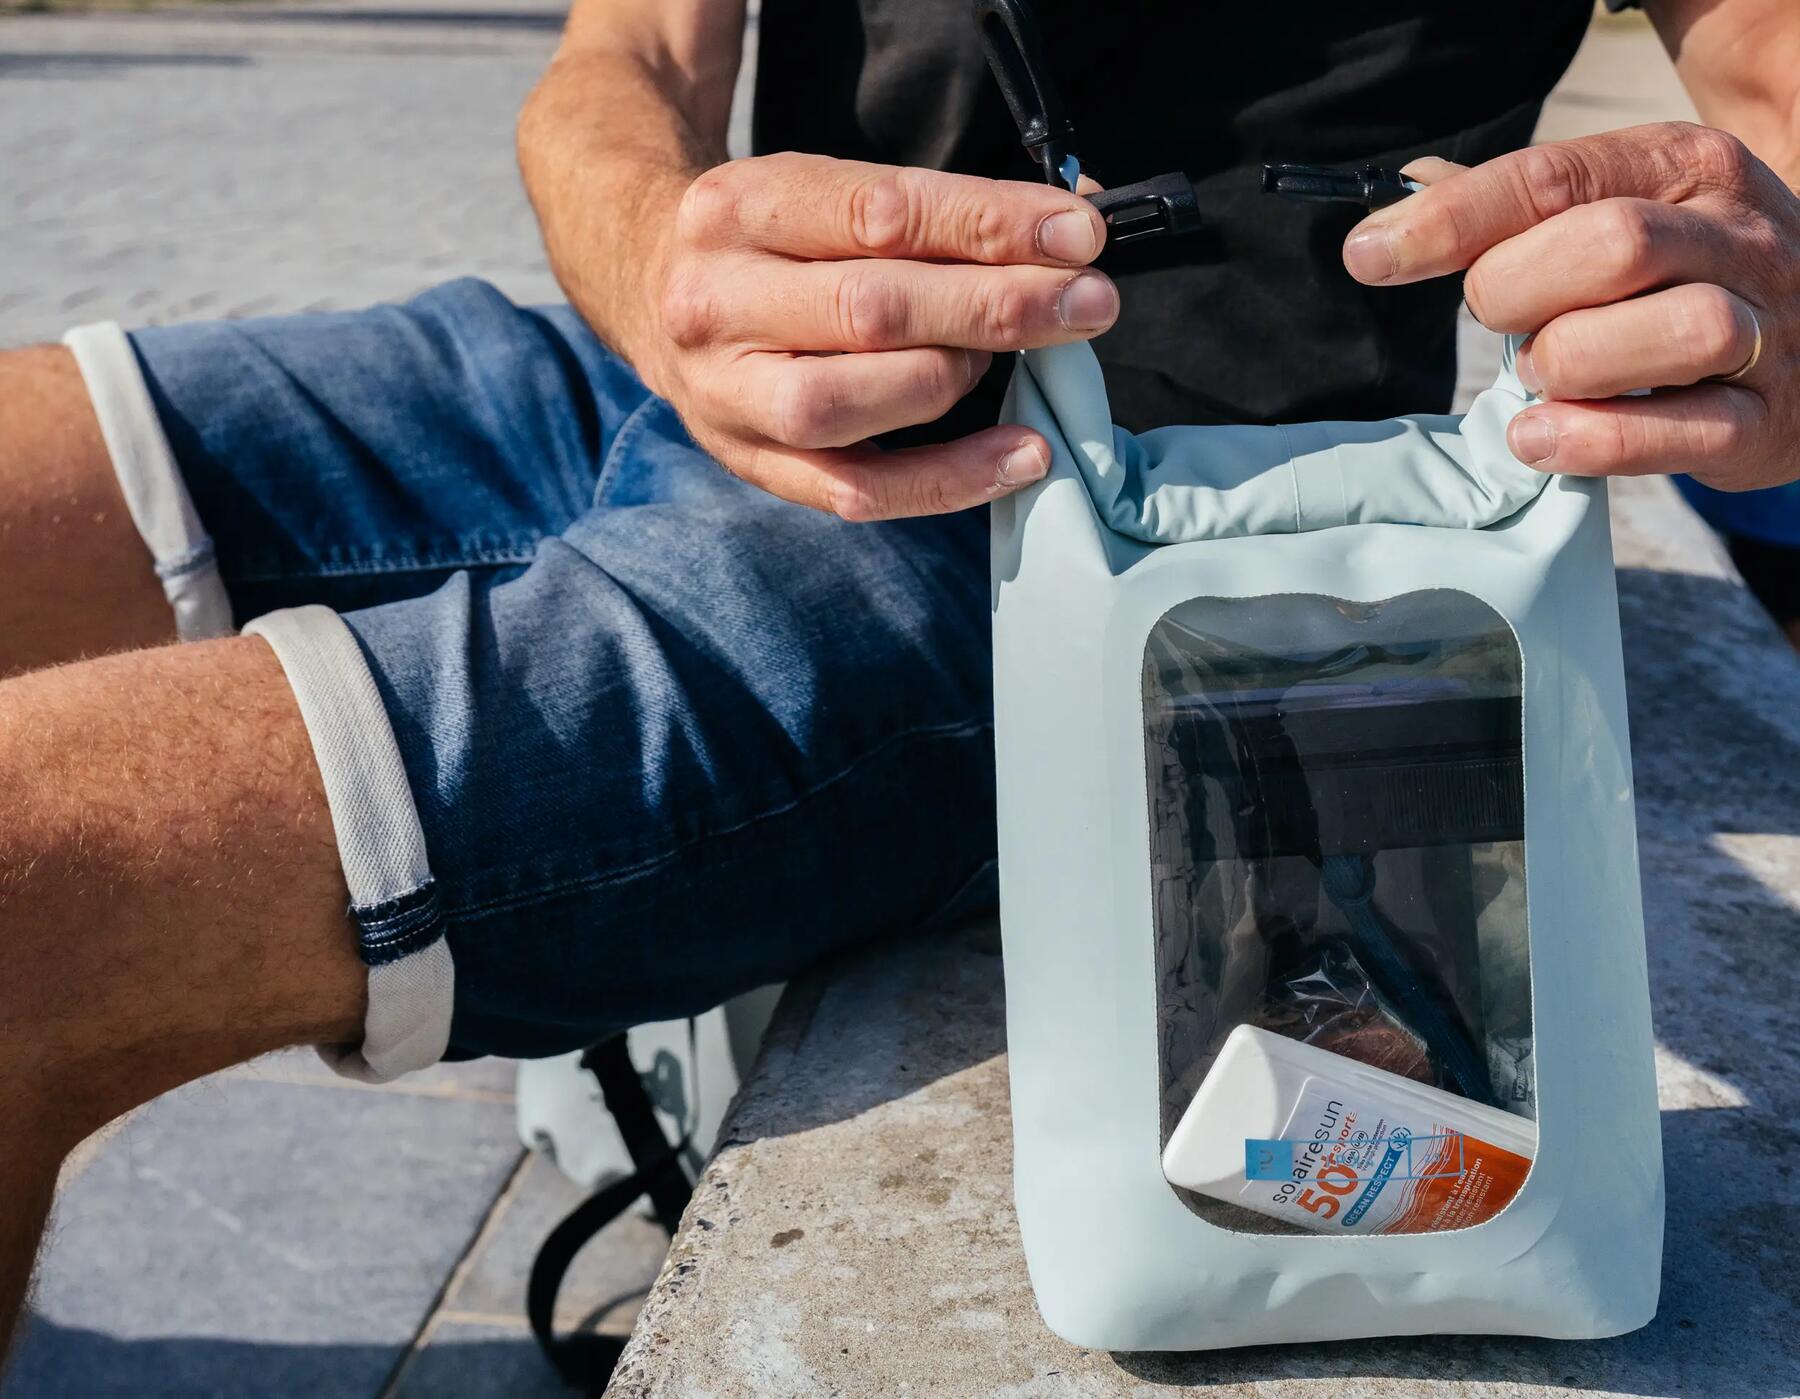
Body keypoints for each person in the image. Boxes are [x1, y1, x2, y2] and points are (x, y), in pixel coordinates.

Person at [2, 0, 1797, 1353]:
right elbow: (621, 60)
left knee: (35, 888)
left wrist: (1769, 289)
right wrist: (665, 266)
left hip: (1123, 560)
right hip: (676, 373)